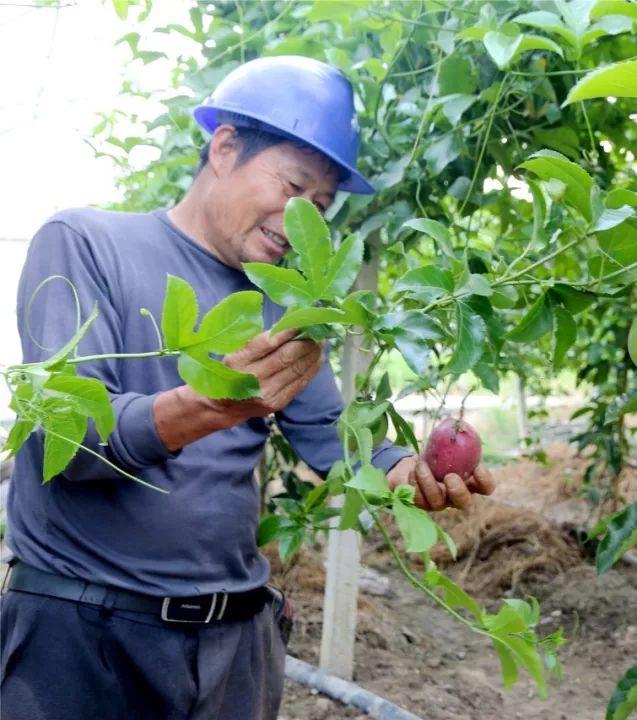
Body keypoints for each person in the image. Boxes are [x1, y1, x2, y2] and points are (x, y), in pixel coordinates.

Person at [0, 56, 494, 720]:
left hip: (233, 647)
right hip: (86, 638)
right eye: (293, 187)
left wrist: (406, 473)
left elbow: (335, 443)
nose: (302, 220)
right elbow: (70, 442)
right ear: (225, 146)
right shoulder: (86, 244)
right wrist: (203, 407)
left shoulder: (282, 303)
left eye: (320, 207)